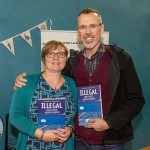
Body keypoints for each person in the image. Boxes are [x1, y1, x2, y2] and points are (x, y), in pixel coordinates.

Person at [14, 8, 145, 150]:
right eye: (83, 27)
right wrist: (23, 82)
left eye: (93, 26)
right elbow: (52, 75)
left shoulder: (120, 58)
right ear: (78, 32)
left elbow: (136, 99)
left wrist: (109, 123)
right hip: (79, 141)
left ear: (101, 29)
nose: (88, 32)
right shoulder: (73, 62)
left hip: (111, 141)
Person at [10, 40, 77, 150]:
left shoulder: (72, 84)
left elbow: (72, 116)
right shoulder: (26, 82)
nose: (56, 58)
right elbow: (15, 116)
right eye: (50, 54)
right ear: (43, 59)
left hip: (63, 146)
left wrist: (70, 128)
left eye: (61, 54)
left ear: (66, 59)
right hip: (32, 145)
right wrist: (41, 134)